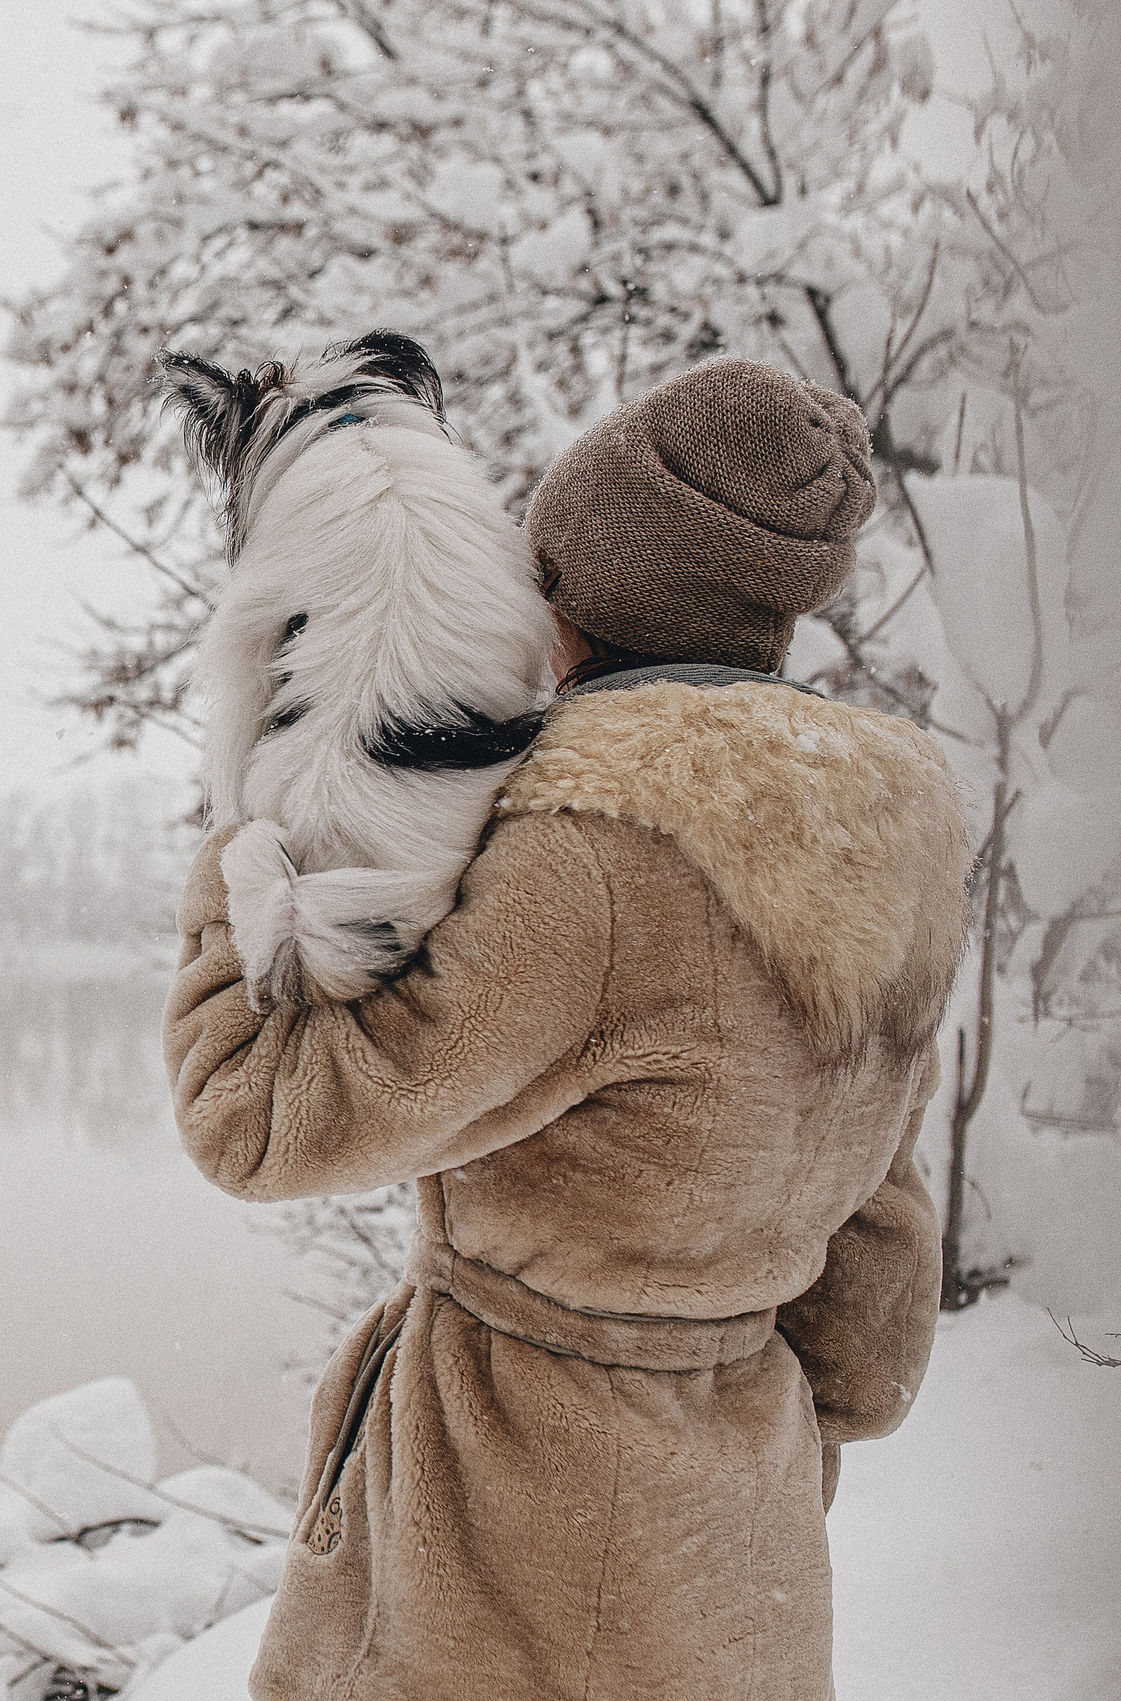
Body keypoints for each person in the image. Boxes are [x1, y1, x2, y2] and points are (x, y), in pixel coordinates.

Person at [165, 358, 970, 1701]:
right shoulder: (884, 853)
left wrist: (243, 855)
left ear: (577, 595)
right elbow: (874, 1310)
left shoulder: (590, 855)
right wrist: (741, 1432)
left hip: (518, 1524)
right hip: (741, 1526)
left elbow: (256, 1124)